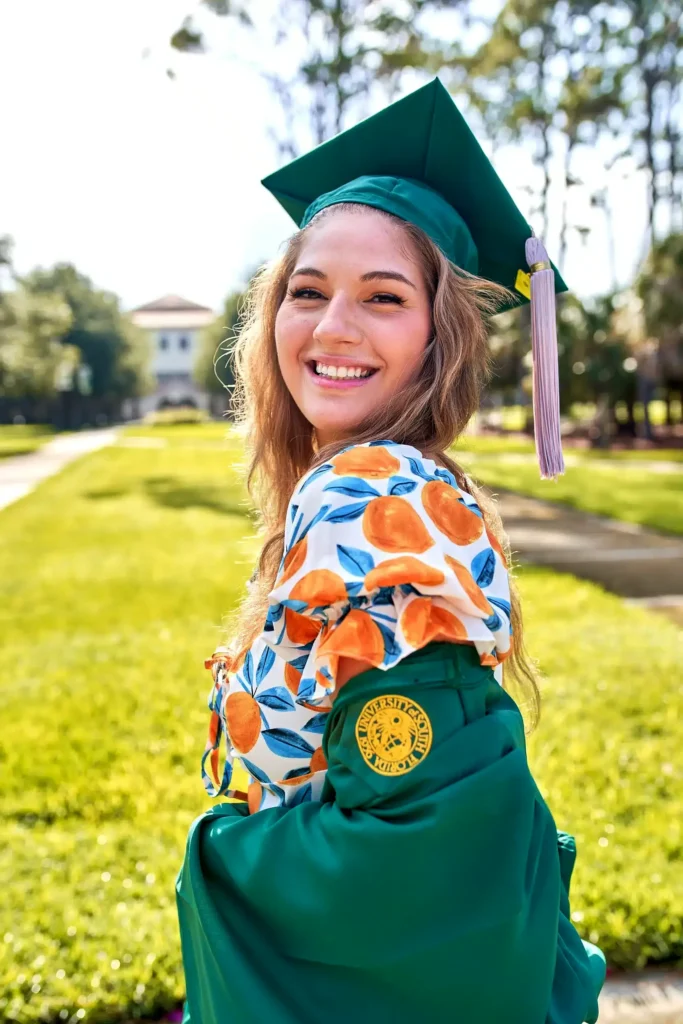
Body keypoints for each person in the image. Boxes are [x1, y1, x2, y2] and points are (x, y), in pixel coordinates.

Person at [176, 78, 606, 1023]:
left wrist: (219, 864)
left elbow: (423, 840)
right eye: (307, 290)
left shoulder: (370, 497)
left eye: (383, 297)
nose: (332, 328)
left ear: (437, 339)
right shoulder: (393, 485)